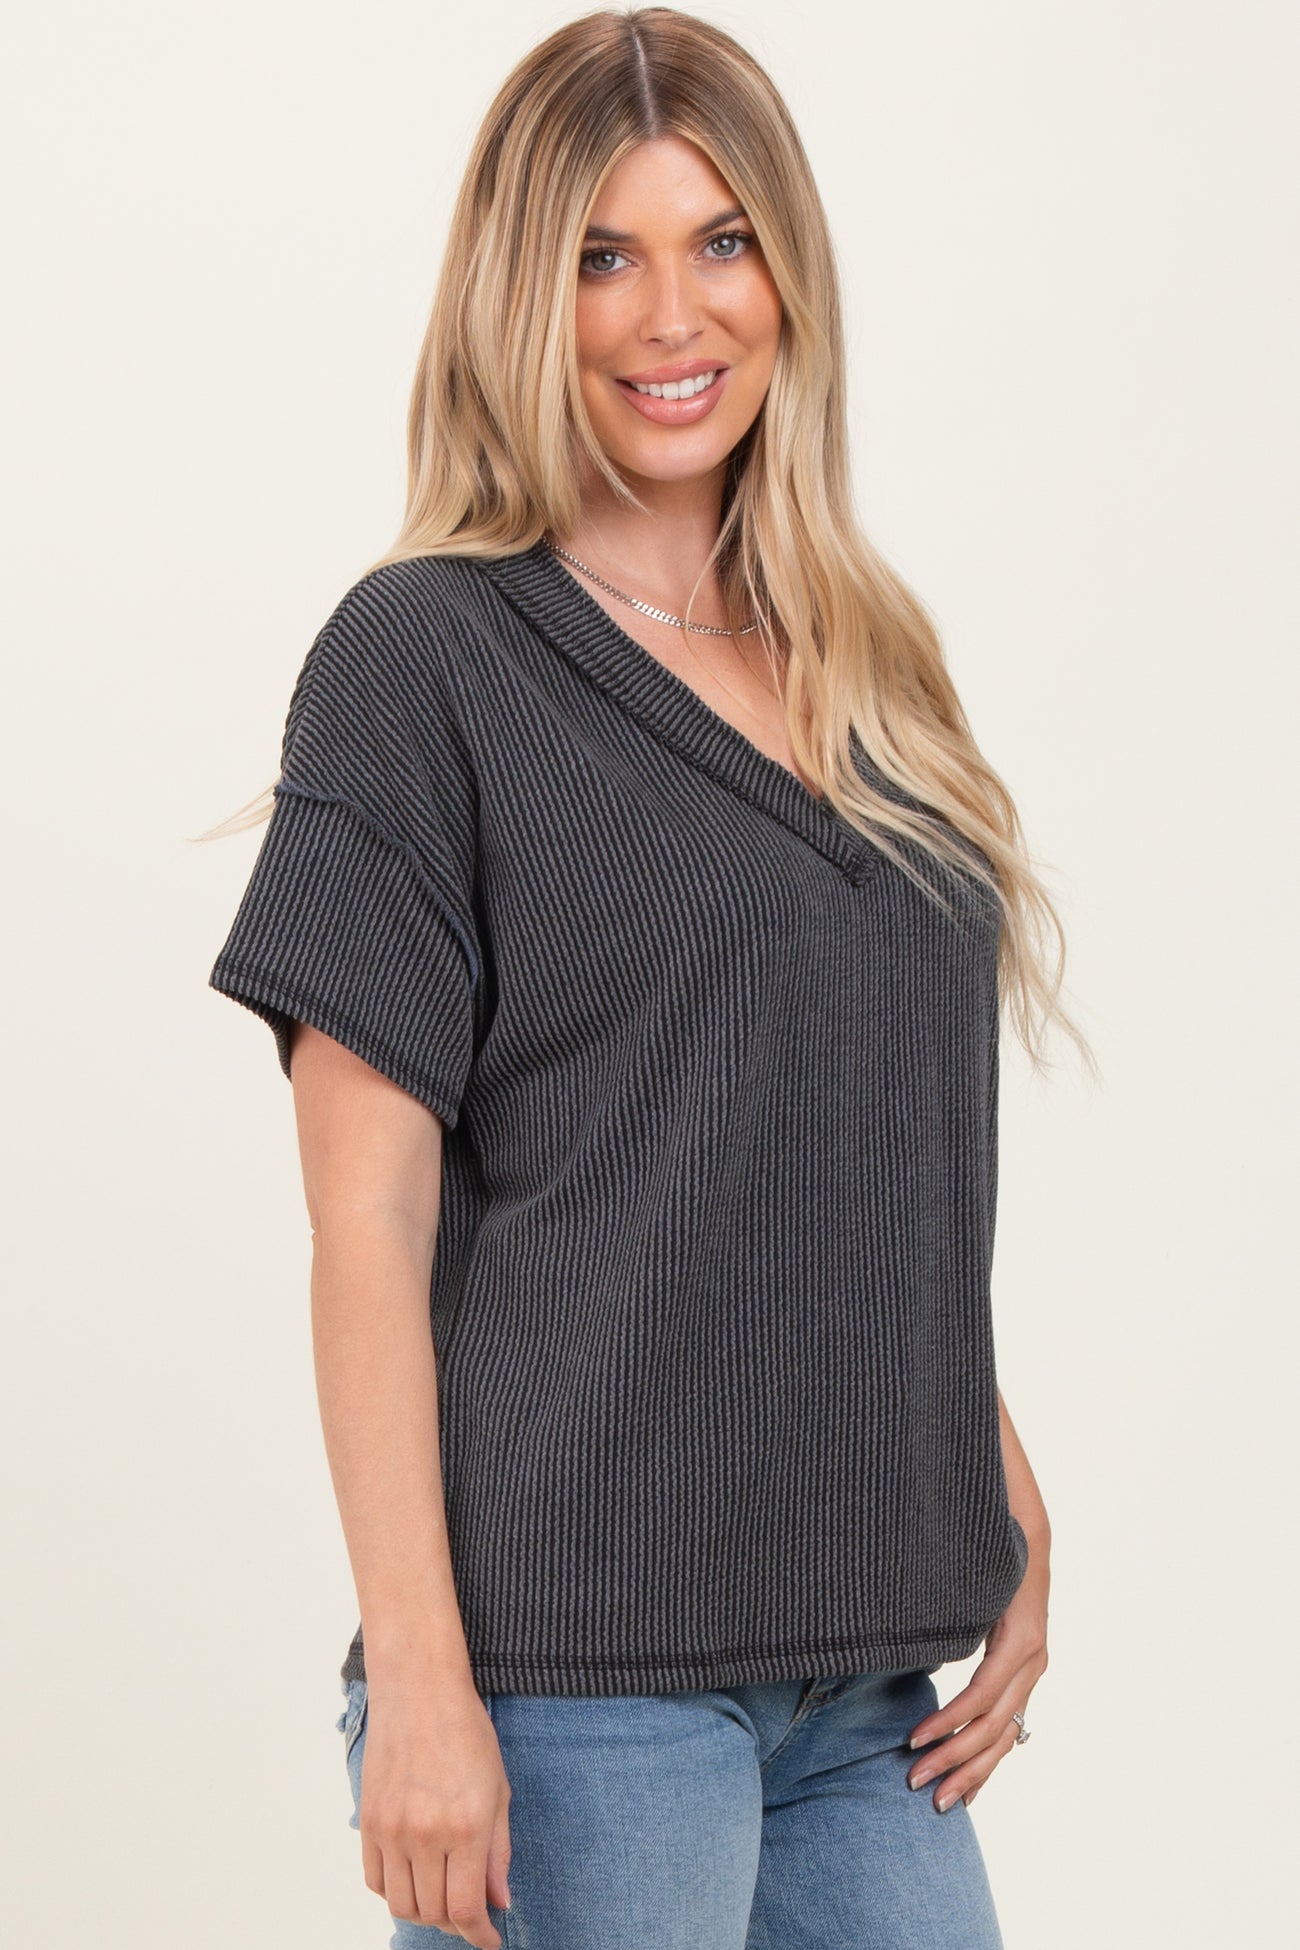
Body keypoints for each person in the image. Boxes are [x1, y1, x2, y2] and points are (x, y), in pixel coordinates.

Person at [205, 9, 1088, 1946]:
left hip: (863, 1679)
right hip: (575, 1682)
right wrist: (420, 1689)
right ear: (520, 295)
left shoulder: (865, 663)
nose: (669, 315)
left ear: (788, 275)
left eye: (720, 241)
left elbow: (841, 1142)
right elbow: (368, 1220)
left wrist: (999, 1488)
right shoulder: (425, 658)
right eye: (601, 255)